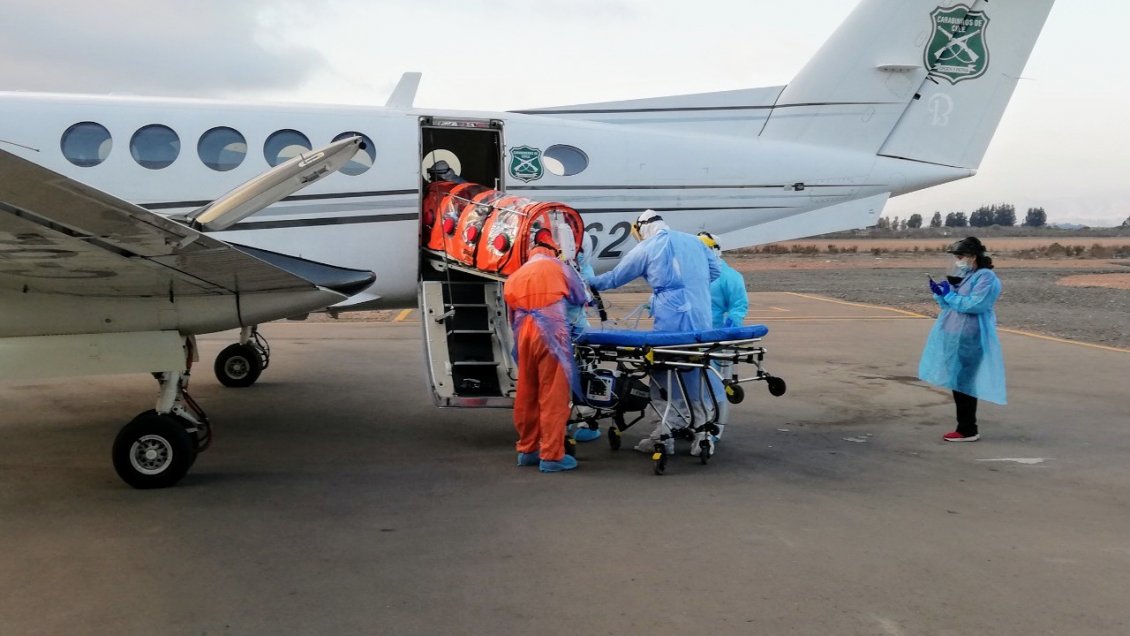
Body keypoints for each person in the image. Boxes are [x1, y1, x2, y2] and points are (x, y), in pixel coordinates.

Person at [585, 210, 720, 454]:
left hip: (672, 321)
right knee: (696, 372)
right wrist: (692, 287)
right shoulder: (694, 241)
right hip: (701, 318)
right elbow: (716, 271)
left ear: (642, 228)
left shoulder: (647, 247)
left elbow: (614, 278)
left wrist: (585, 281)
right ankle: (703, 438)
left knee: (663, 373)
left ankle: (664, 435)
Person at [504, 228, 588, 472]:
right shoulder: (558, 267)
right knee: (553, 396)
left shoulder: (516, 274)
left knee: (527, 392)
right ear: (553, 249)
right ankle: (551, 456)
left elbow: (511, 314)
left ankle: (527, 450)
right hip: (551, 333)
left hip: (523, 334)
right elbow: (580, 296)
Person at [918, 236, 1007, 442]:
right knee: (957, 380)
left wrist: (949, 295)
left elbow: (974, 305)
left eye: (961, 256)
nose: (958, 260)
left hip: (970, 335)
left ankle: (967, 428)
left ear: (973, 256)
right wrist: (940, 294)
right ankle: (964, 426)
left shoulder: (986, 277)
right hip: (954, 332)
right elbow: (951, 305)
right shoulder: (967, 275)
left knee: (965, 381)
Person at [696, 232, 749, 452]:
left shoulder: (729, 277)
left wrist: (732, 324)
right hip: (695, 337)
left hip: (719, 340)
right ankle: (695, 423)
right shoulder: (695, 275)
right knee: (695, 385)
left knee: (717, 386)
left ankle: (715, 426)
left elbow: (739, 305)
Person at [567, 233, 602, 442]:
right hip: (571, 327)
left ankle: (586, 419)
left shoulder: (579, 269)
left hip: (572, 328)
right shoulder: (577, 268)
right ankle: (585, 419)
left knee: (583, 371)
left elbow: (586, 293)